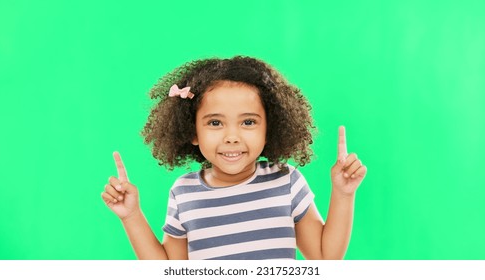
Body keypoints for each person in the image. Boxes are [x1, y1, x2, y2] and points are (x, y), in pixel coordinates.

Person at [101, 56, 367, 260]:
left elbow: (324, 257)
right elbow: (170, 270)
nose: (232, 137)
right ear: (192, 131)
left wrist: (343, 194)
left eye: (248, 122)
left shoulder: (286, 182)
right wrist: (131, 215)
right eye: (215, 123)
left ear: (269, 129)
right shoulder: (184, 193)